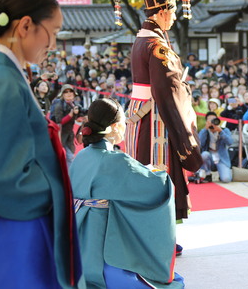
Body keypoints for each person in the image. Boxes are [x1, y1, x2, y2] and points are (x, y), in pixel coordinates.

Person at [0, 0, 82, 288]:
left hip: (8, 217)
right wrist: (57, 188)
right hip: (15, 224)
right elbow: (2, 175)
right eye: (54, 31)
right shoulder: (2, 81)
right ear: (26, 25)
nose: (55, 42)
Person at [71, 98, 184, 288]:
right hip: (105, 255)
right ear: (115, 127)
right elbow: (157, 187)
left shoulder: (80, 157)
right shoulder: (116, 161)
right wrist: (158, 172)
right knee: (176, 283)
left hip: (76, 253)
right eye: (124, 122)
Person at [121, 0, 202, 224]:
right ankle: (160, 236)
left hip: (140, 114)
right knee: (159, 175)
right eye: (174, 12)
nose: (174, 18)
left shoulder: (141, 40)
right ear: (163, 12)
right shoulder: (157, 47)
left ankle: (151, 234)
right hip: (157, 119)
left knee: (142, 171)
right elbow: (168, 93)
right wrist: (185, 137)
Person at [53, 84, 85, 167]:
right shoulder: (59, 105)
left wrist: (82, 117)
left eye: (71, 91)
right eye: (66, 92)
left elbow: (80, 117)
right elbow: (59, 122)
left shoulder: (74, 105)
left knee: (70, 157)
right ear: (62, 95)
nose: (69, 93)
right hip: (59, 134)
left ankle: (69, 177)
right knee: (56, 157)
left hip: (69, 135)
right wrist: (70, 115)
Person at [197, 112, 234, 183]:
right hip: (209, 156)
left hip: (221, 158)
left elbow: (230, 142)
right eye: (209, 120)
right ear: (206, 121)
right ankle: (208, 174)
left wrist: (220, 131)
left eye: (213, 120)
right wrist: (205, 129)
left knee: (226, 179)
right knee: (204, 154)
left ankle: (222, 173)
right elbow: (199, 144)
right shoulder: (204, 131)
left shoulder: (224, 130)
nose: (212, 122)